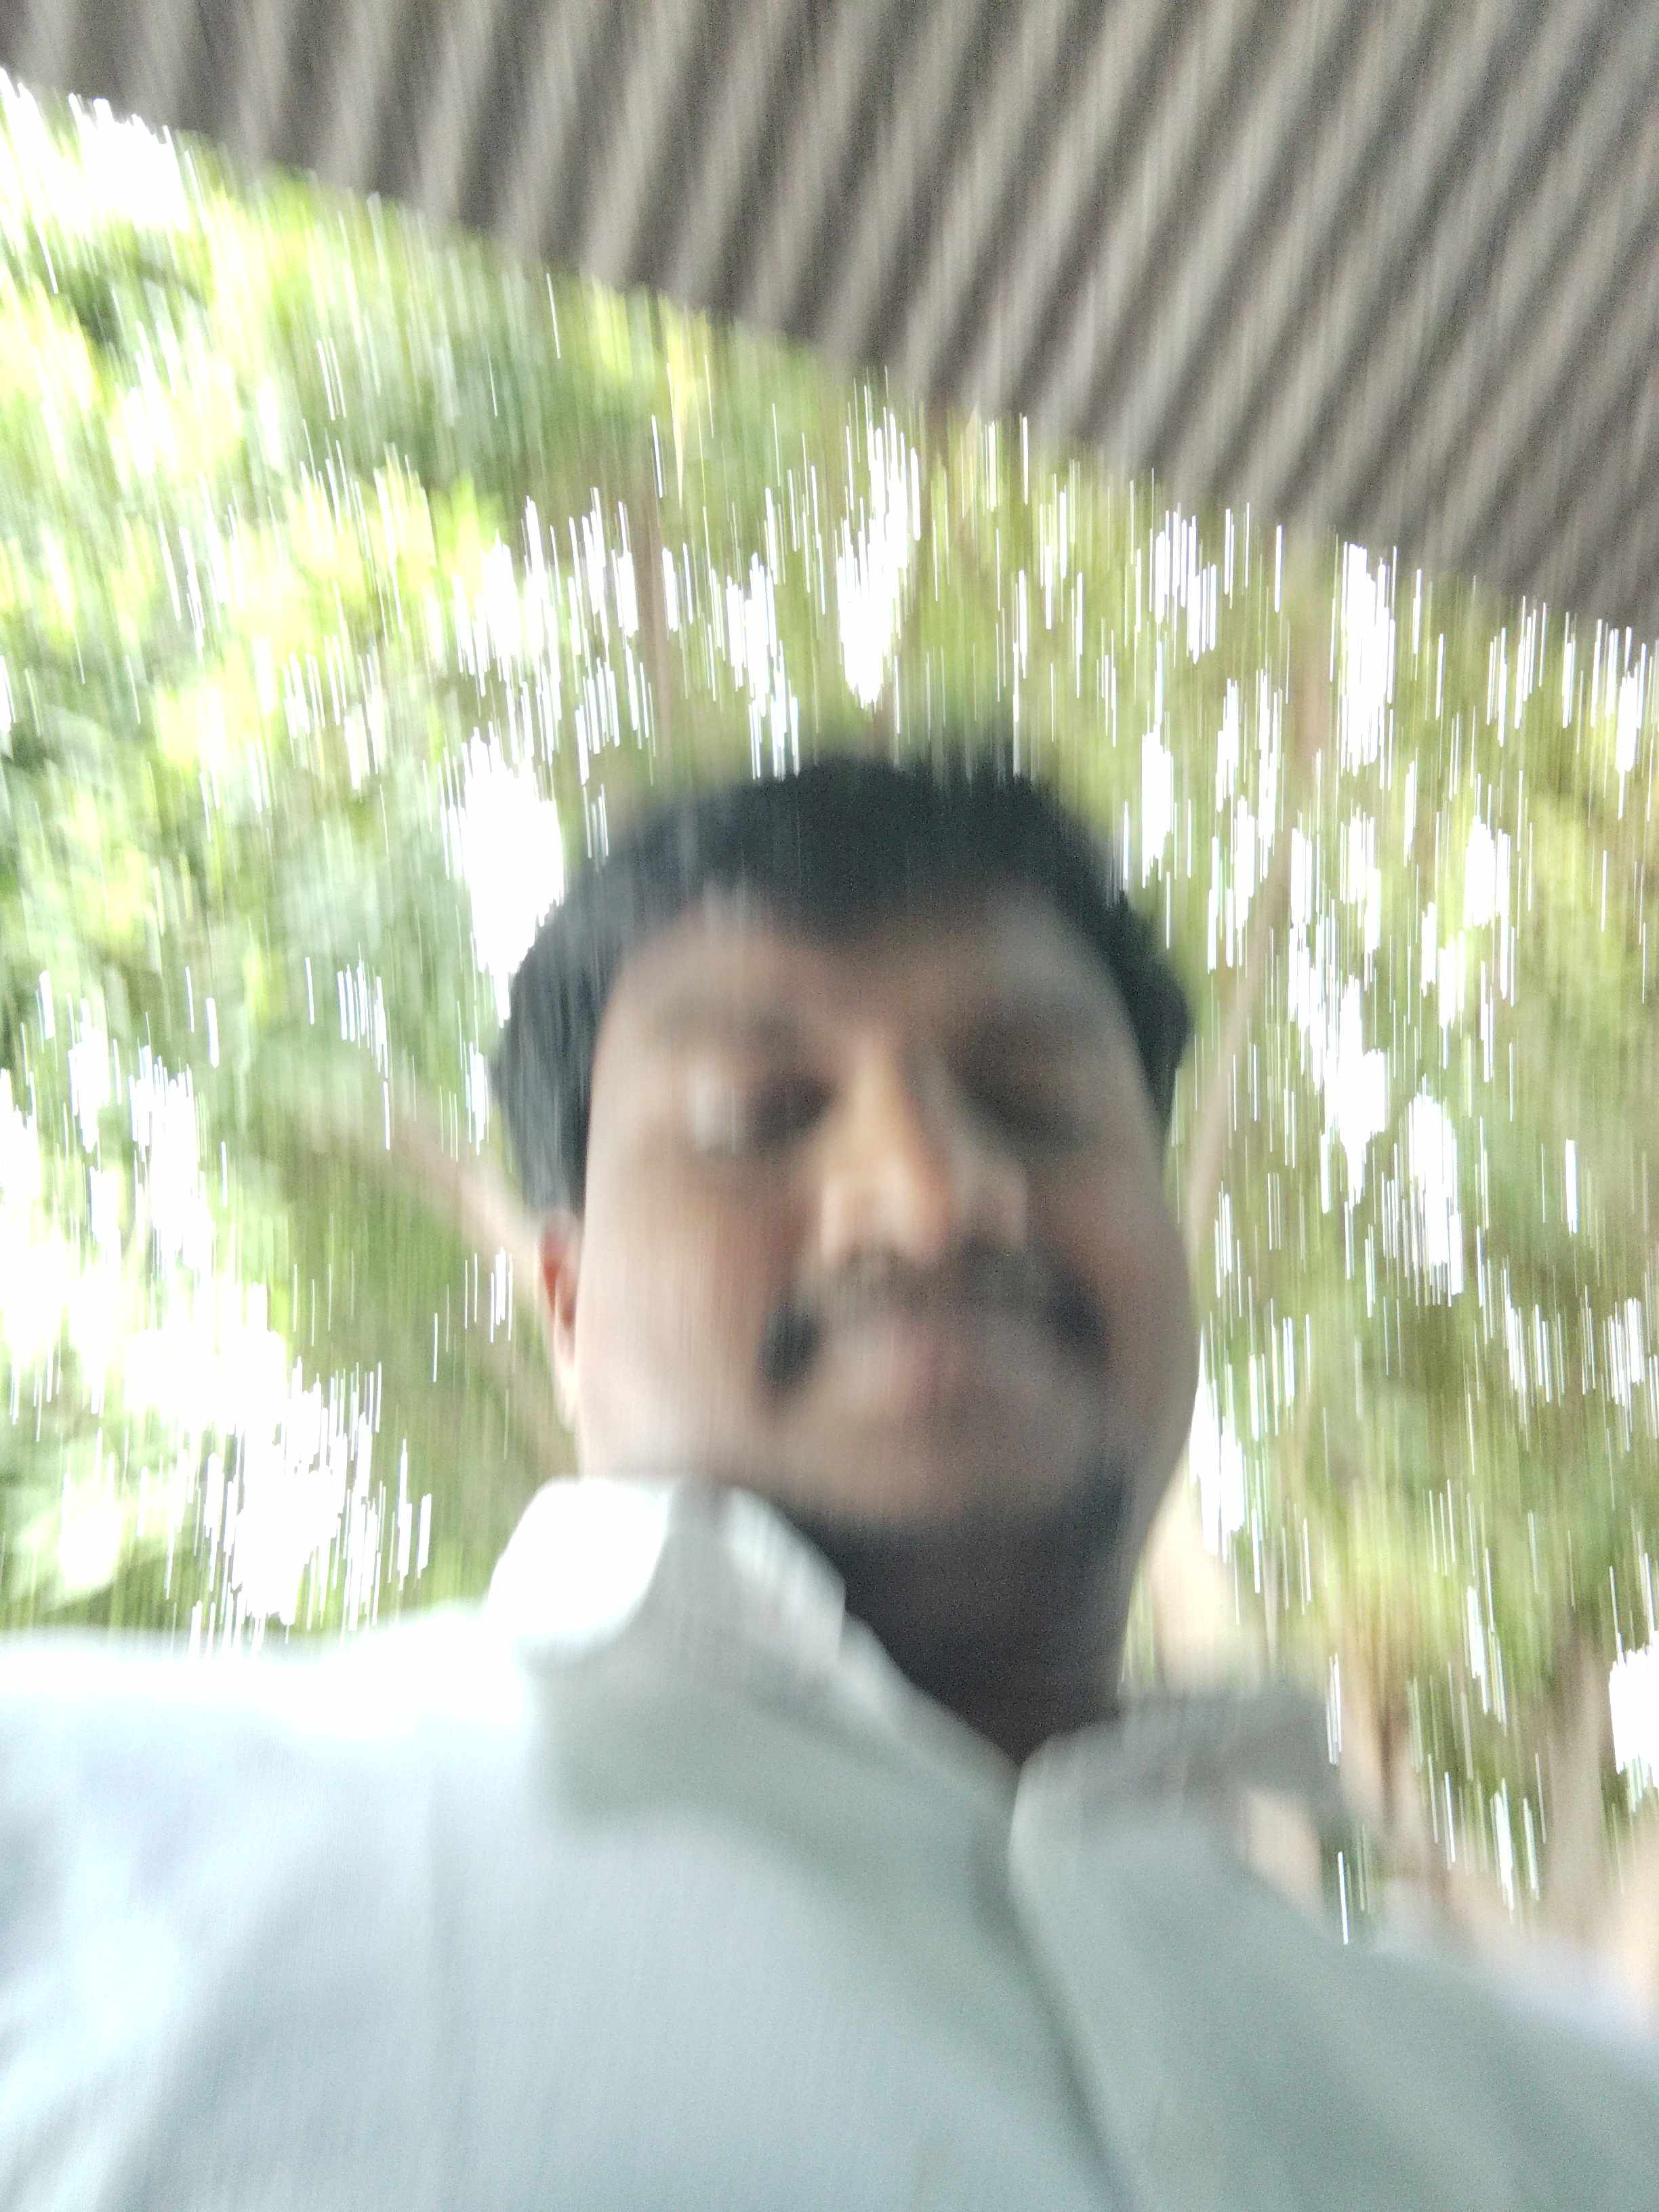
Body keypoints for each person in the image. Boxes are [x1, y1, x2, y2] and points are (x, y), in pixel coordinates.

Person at [1, 747, 1654, 2211]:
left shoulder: (1584, 2127)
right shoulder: (82, 1853)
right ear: (568, 1308)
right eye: (761, 1113)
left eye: (1036, 1105)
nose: (930, 1199)